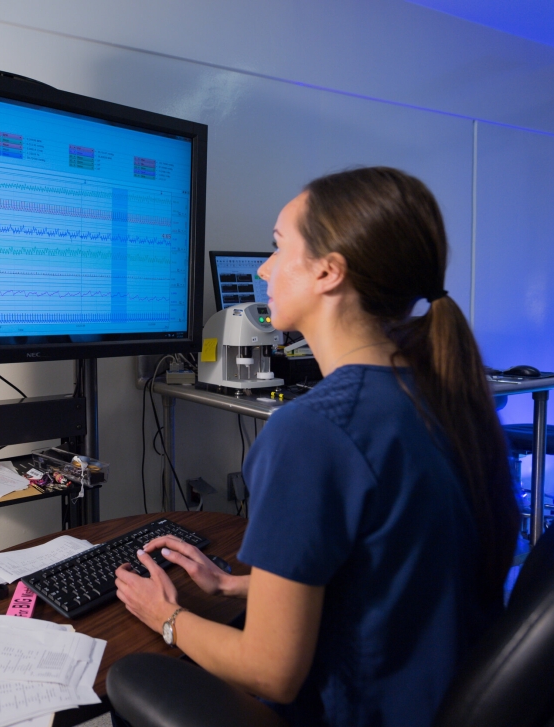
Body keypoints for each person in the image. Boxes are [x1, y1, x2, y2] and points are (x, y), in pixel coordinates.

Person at [114, 167, 520, 727]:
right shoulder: (443, 392)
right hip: (437, 698)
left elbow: (270, 672)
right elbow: (397, 573)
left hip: (359, 713)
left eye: (278, 248)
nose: (264, 269)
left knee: (129, 678)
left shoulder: (312, 430)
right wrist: (238, 585)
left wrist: (167, 616)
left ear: (329, 272)